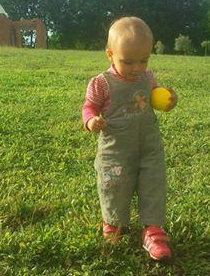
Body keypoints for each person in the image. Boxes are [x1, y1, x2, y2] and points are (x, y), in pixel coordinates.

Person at [82, 16, 178, 261]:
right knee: (114, 186)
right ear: (110, 54)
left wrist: (168, 102)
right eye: (128, 61)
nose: (137, 67)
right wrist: (91, 121)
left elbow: (155, 98)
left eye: (143, 60)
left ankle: (153, 230)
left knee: (153, 183)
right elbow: (89, 107)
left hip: (148, 145)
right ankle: (113, 223)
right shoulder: (101, 83)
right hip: (116, 149)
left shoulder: (147, 77)